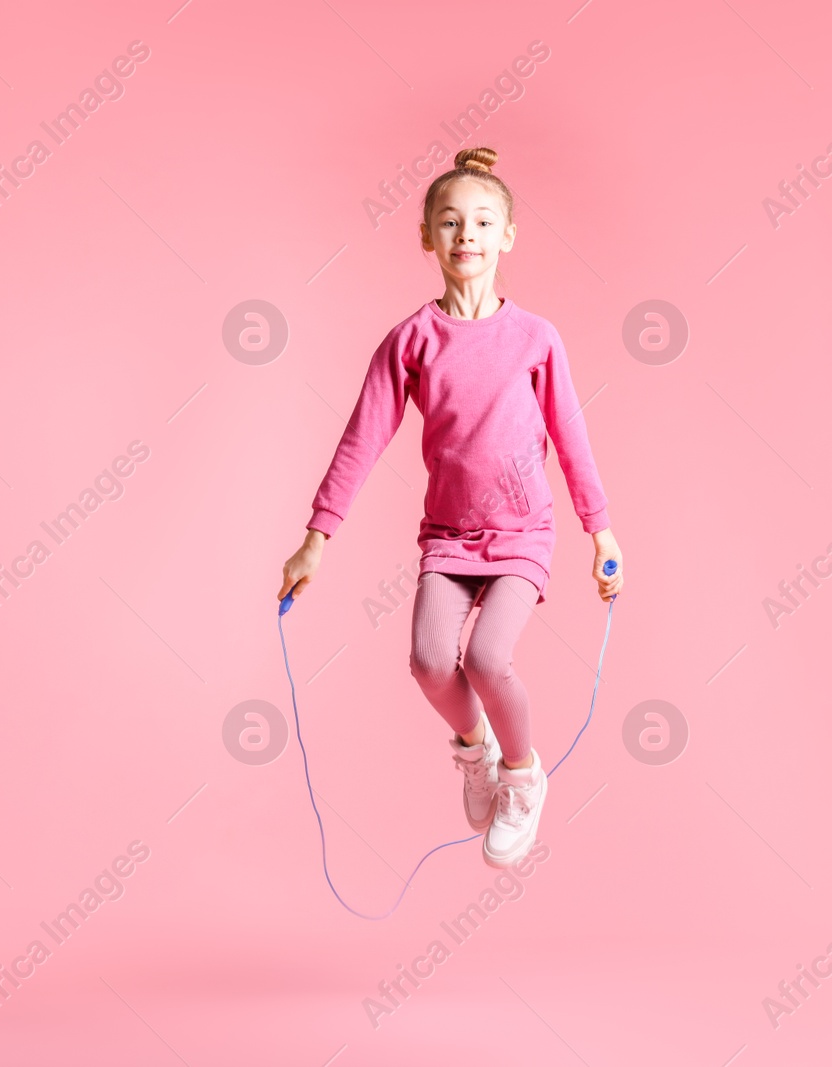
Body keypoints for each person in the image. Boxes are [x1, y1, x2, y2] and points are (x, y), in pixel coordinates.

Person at [278, 146, 624, 868]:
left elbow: (571, 438)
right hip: (449, 538)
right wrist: (317, 537)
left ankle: (523, 777)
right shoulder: (410, 341)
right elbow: (361, 439)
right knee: (430, 662)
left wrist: (601, 531)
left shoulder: (536, 338)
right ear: (427, 236)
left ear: (508, 237)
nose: (467, 234)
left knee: (490, 655)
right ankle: (477, 750)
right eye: (451, 221)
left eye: (483, 221)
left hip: (523, 533)